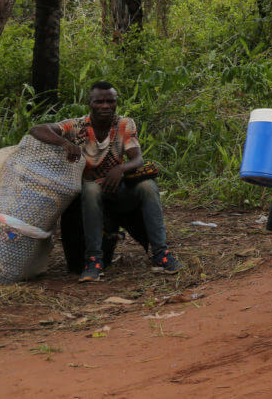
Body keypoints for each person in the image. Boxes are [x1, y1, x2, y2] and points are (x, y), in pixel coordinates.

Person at [30, 82, 180, 282]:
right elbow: (37, 129)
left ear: (116, 103)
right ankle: (94, 260)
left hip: (116, 188)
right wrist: (65, 143)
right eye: (99, 101)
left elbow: (137, 160)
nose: (105, 106)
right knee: (91, 189)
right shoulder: (76, 126)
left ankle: (161, 253)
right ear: (89, 103)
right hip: (91, 192)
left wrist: (120, 168)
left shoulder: (124, 124)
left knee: (148, 185)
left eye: (110, 101)